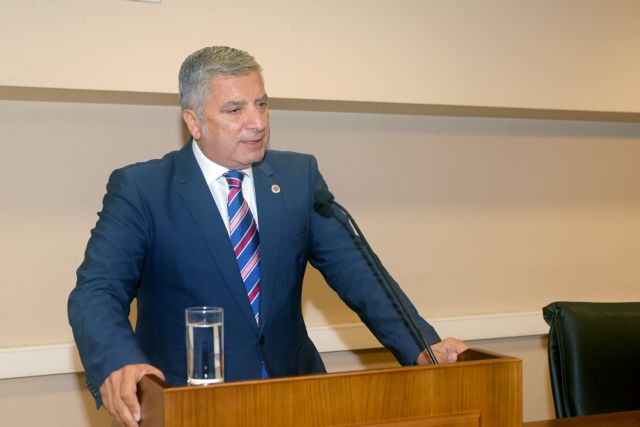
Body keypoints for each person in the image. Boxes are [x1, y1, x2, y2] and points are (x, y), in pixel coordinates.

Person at [68, 46, 467, 427]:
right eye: (235, 109)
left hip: (297, 401)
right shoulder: (144, 189)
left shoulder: (298, 178)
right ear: (194, 121)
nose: (257, 122)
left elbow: (359, 275)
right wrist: (120, 361)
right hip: (188, 406)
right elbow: (97, 291)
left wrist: (422, 346)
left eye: (261, 104)